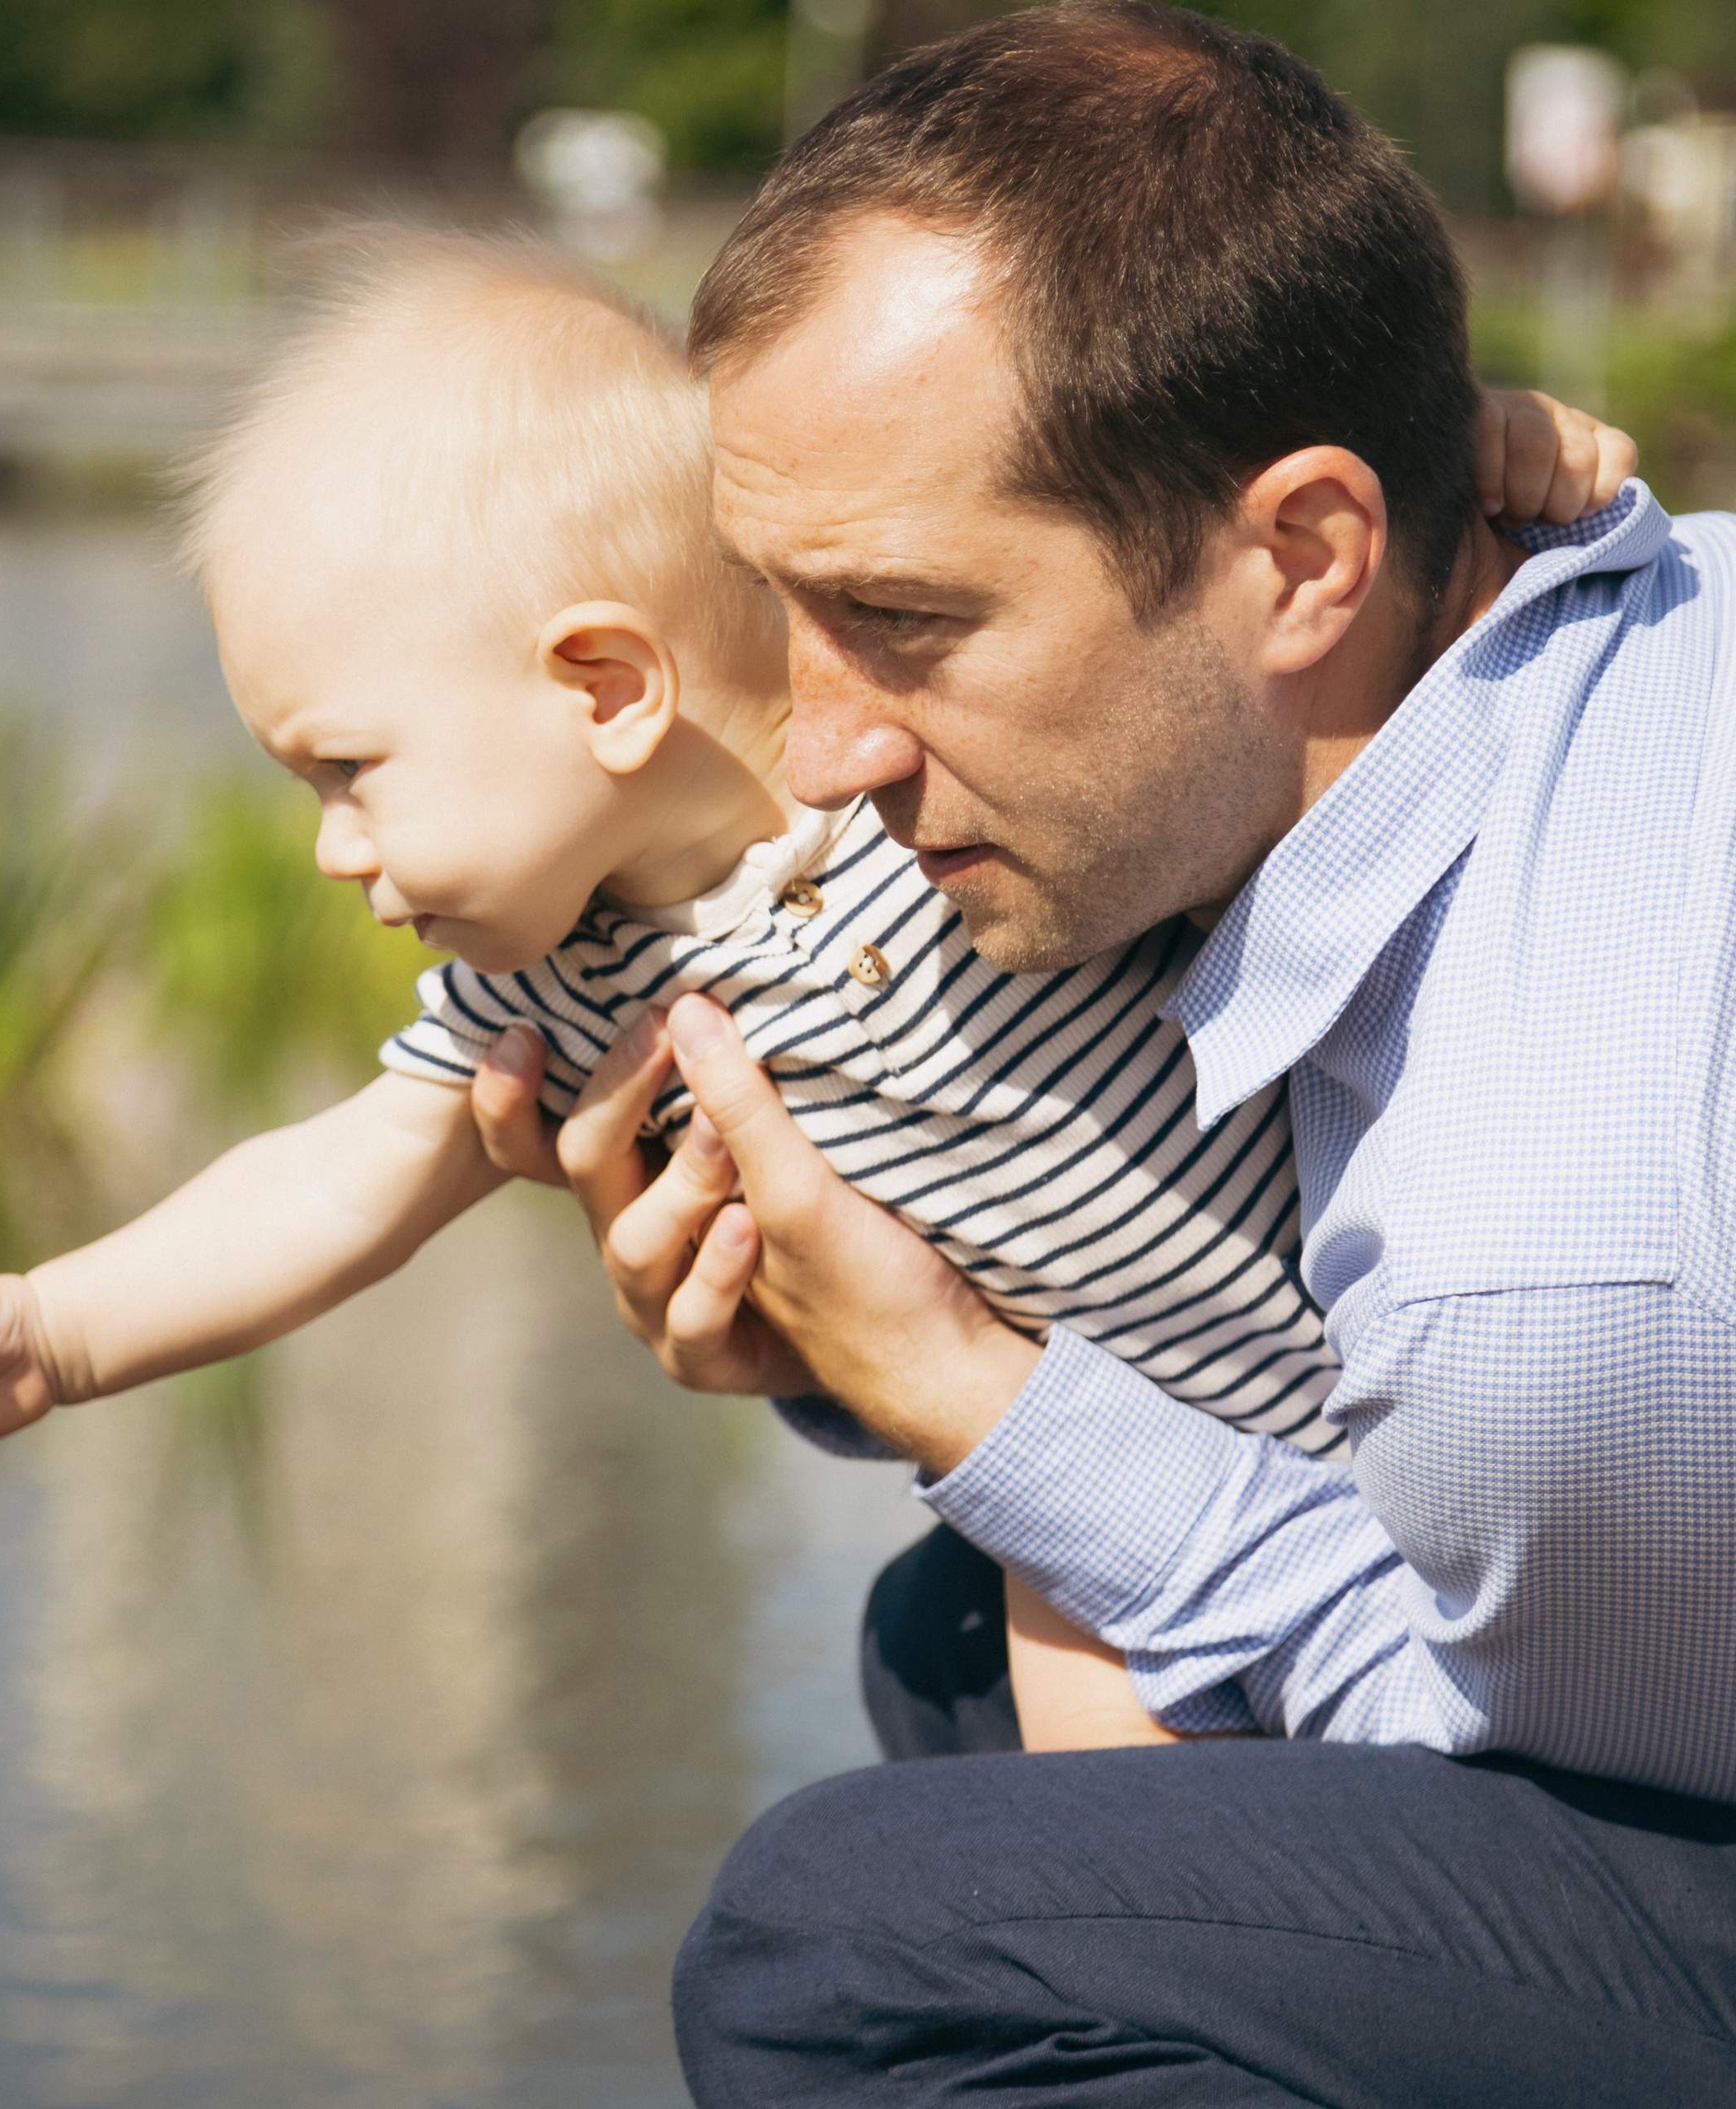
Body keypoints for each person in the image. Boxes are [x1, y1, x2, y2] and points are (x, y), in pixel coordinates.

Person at [0, 233, 1610, 1753]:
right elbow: (334, 1174)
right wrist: (51, 1333)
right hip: (1103, 1458)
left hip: (1453, 1384)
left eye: (348, 769)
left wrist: (1483, 461)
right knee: (1079, 1756)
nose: (329, 848)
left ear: (607, 688)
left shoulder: (953, 785)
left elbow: (1289, 699)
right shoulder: (563, 988)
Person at [464, 5, 1736, 2102]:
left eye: (910, 621)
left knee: (848, 1942)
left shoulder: (1539, 1274)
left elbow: (1492, 1723)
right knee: (963, 1651)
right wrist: (845, 1345)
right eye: (780, 610)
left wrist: (969, 1390)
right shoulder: (1553, 624)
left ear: (1305, 554)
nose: (816, 747)